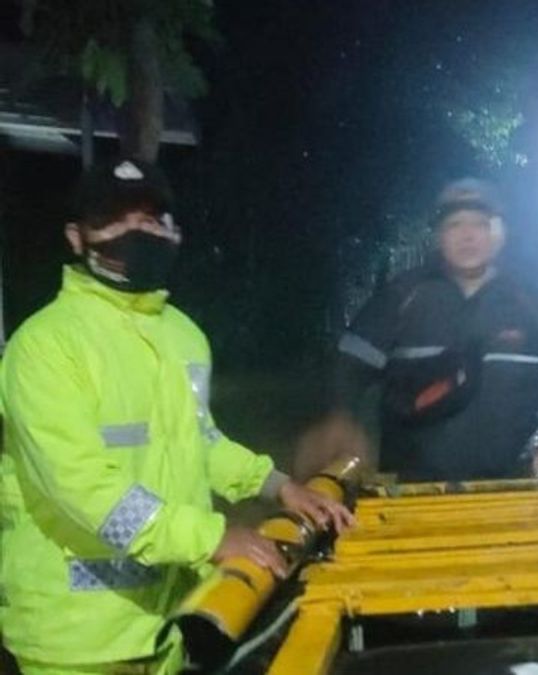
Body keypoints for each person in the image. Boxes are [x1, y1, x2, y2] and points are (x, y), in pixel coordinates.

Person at [0, 157, 354, 674]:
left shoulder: (183, 335)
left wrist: (278, 486)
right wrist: (210, 538)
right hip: (76, 638)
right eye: (114, 220)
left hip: (171, 621)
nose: (135, 232)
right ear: (77, 238)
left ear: (172, 229)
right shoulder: (45, 347)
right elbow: (81, 486)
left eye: (149, 218)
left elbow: (199, 439)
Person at [305, 178, 538, 481]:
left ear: (499, 234)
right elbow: (349, 364)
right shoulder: (402, 297)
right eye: (455, 225)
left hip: (512, 484)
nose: (468, 236)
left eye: (480, 224)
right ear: (439, 236)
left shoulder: (530, 302)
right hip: (408, 489)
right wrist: (339, 417)